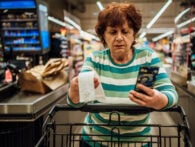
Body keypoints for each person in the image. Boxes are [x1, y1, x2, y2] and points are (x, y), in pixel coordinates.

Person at [67, 2, 178, 146]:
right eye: (113, 32)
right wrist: (74, 94)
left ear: (133, 34)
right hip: (96, 141)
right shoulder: (95, 59)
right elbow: (77, 102)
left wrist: (160, 100)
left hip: (137, 142)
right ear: (103, 36)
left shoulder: (148, 58)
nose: (119, 37)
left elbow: (171, 93)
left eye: (125, 32)